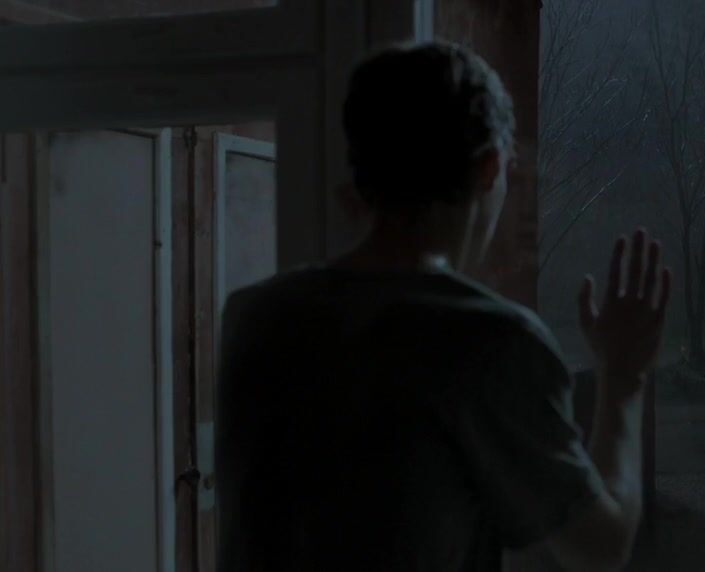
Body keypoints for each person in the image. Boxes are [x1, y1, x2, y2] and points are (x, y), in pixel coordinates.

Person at [216, 41, 671, 571]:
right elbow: (601, 547)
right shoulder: (489, 341)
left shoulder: (255, 315)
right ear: (489, 167)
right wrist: (625, 377)